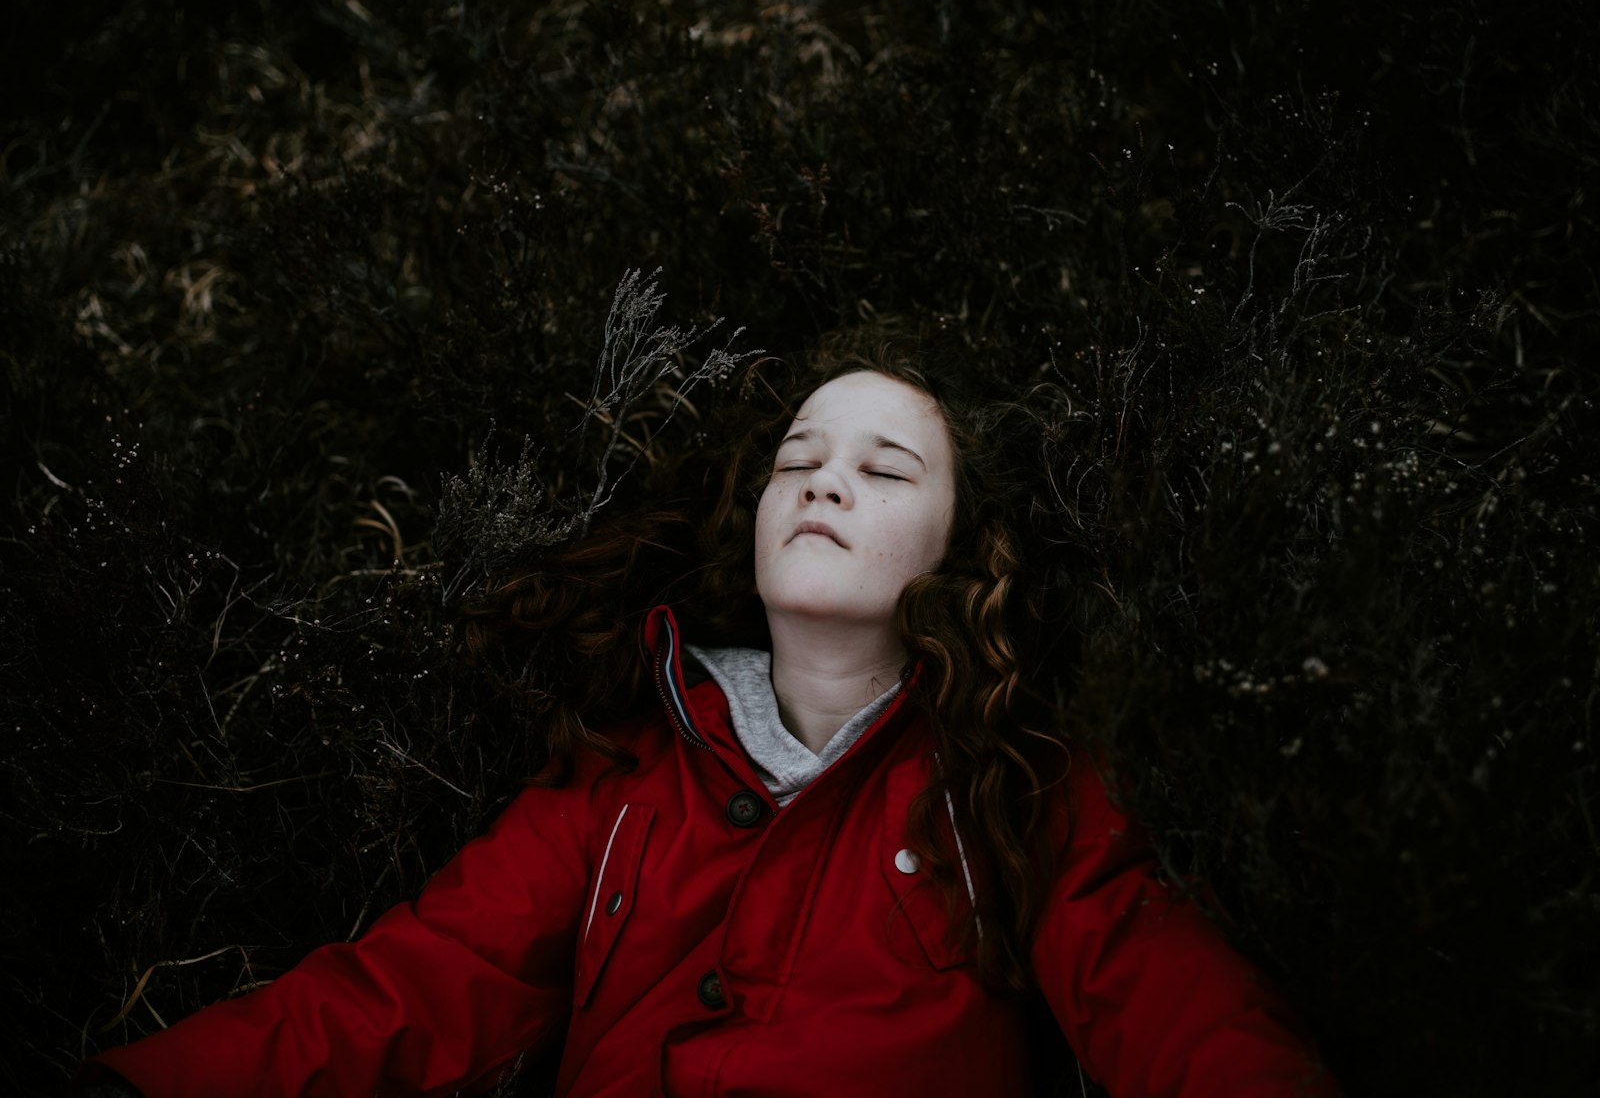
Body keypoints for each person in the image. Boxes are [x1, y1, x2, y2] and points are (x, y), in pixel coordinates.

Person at [78, 329, 1341, 1097]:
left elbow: (1181, 1016)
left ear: (960, 548)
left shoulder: (1011, 786)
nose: (824, 483)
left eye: (882, 468)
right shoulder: (626, 778)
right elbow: (409, 988)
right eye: (798, 460)